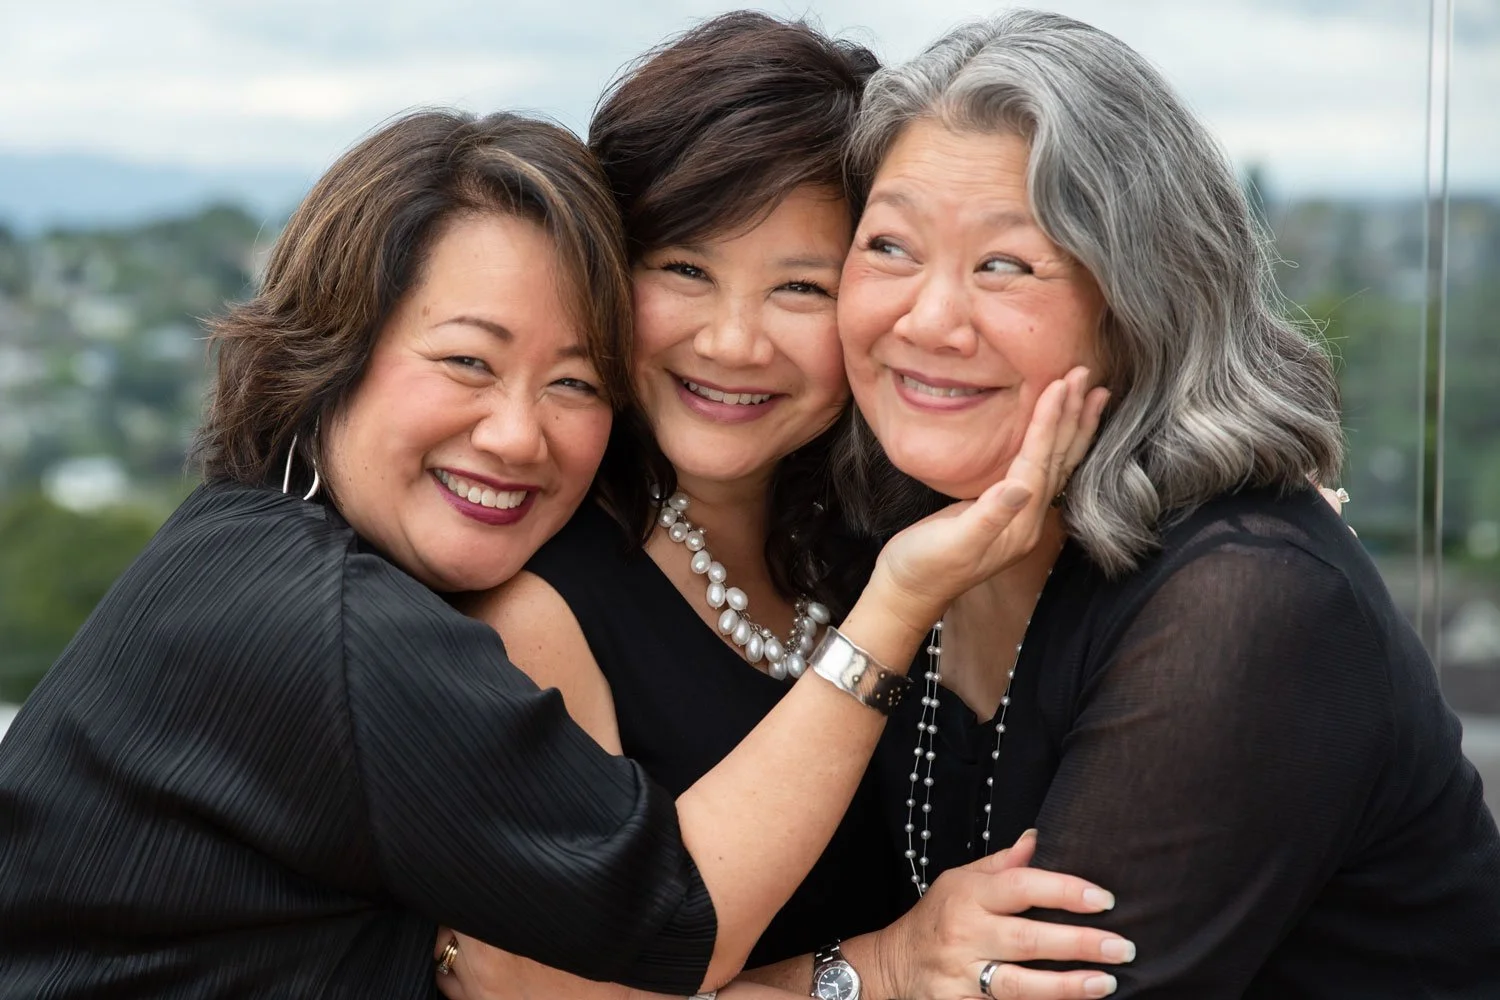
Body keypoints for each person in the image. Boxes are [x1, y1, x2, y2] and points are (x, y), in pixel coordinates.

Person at [0, 108, 1081, 999]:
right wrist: (886, 964)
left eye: (574, 384)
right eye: (468, 361)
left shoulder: (250, 547)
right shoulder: (334, 623)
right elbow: (674, 912)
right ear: (328, 352)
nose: (519, 435)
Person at [814, 10, 1500, 998]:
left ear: (1140, 302)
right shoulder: (903, 528)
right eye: (889, 247)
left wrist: (836, 977)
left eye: (1005, 263)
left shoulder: (1244, 600)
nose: (928, 319)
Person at [447, 14, 1130, 1000]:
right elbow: (560, 993)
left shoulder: (884, 526)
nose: (732, 341)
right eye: (684, 269)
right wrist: (880, 969)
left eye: (801, 287)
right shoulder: (533, 604)